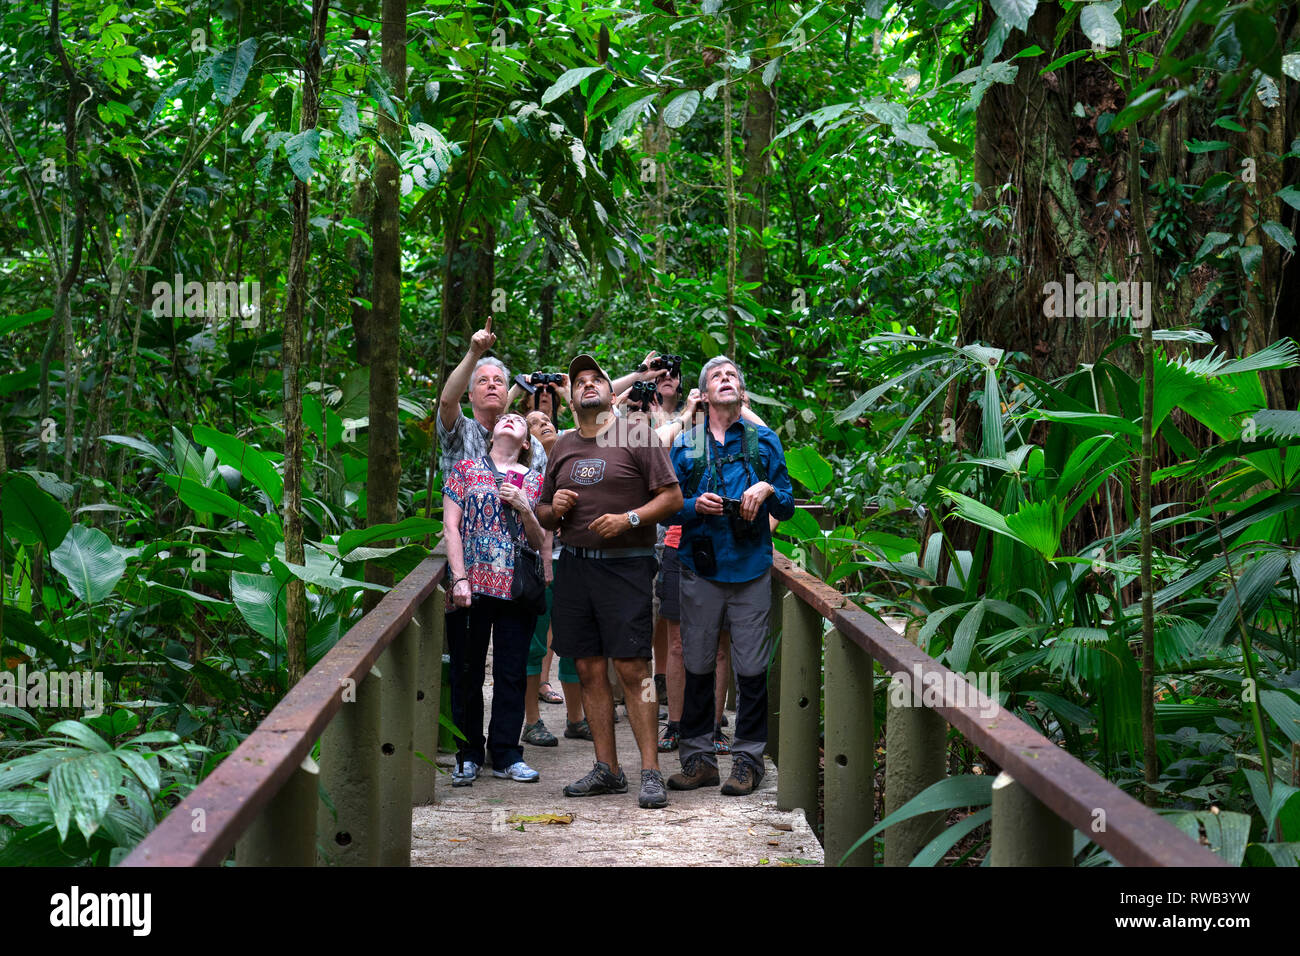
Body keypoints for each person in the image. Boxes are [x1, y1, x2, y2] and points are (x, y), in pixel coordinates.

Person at [536, 354, 683, 809]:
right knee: (588, 667)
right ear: (571, 396)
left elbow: (673, 497)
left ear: (609, 390)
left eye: (595, 378)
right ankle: (607, 769)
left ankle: (651, 771)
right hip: (575, 567)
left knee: (633, 667)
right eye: (578, 381)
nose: (587, 384)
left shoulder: (635, 433)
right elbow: (540, 512)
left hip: (626, 564)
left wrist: (629, 518)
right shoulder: (561, 445)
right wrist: (553, 508)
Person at [666, 357, 794, 796]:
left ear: (742, 392)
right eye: (717, 376)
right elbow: (666, 505)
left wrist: (768, 489)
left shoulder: (764, 442)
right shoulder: (686, 444)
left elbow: (789, 506)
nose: (726, 379)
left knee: (752, 668)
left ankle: (748, 761)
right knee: (698, 664)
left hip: (752, 569)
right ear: (702, 394)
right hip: (701, 568)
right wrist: (692, 506)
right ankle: (698, 759)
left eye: (732, 376)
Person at [442, 413, 547, 786]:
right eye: (504, 417)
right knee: (466, 671)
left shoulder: (535, 480)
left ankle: (505, 754)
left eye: (518, 420)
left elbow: (539, 541)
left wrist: (524, 506)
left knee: (511, 673)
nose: (509, 420)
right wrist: (459, 578)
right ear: (490, 437)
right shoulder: (466, 469)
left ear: (525, 442)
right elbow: (450, 526)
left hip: (515, 590)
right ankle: (468, 754)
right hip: (470, 587)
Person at [521, 408, 589, 746]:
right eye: (533, 422)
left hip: (575, 558)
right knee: (535, 641)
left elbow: (595, 426)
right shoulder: (525, 471)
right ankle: (532, 721)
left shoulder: (573, 461)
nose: (543, 424)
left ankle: (576, 718)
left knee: (575, 639)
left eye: (547, 420)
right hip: (536, 563)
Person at [437, 317, 547, 481]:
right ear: (471, 395)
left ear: (506, 393)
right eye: (482, 381)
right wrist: (474, 352)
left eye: (498, 381)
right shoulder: (461, 431)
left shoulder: (533, 445)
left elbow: (542, 499)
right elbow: (447, 403)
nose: (491, 385)